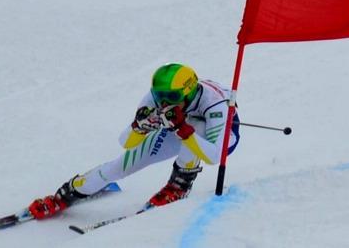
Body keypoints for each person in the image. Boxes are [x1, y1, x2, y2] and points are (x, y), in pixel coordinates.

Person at [29, 63, 241, 219]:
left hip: (218, 135)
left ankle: (179, 185)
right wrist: (139, 127)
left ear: (188, 92)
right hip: (178, 128)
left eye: (172, 98)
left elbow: (215, 156)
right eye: (160, 96)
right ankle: (69, 193)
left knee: (198, 127)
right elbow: (126, 142)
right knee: (119, 166)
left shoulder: (216, 105)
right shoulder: (155, 99)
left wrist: (183, 128)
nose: (164, 102)